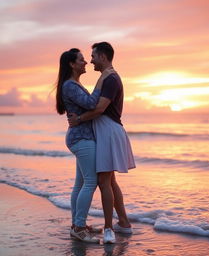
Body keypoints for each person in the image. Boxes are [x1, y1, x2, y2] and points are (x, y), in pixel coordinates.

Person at [68, 42, 136, 244]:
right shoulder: (106, 77)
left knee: (104, 181)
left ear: (104, 57)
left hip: (108, 131)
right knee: (110, 181)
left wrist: (78, 120)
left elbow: (98, 109)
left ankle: (109, 229)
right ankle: (123, 223)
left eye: (94, 56)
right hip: (107, 130)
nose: (90, 60)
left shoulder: (111, 78)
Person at [55, 48, 113, 243]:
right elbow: (90, 103)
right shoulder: (70, 86)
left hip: (80, 137)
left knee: (81, 183)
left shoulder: (73, 84)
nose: (85, 62)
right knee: (90, 182)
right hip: (82, 138)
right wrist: (102, 79)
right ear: (72, 64)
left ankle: (76, 225)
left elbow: (87, 105)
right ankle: (79, 228)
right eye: (81, 60)